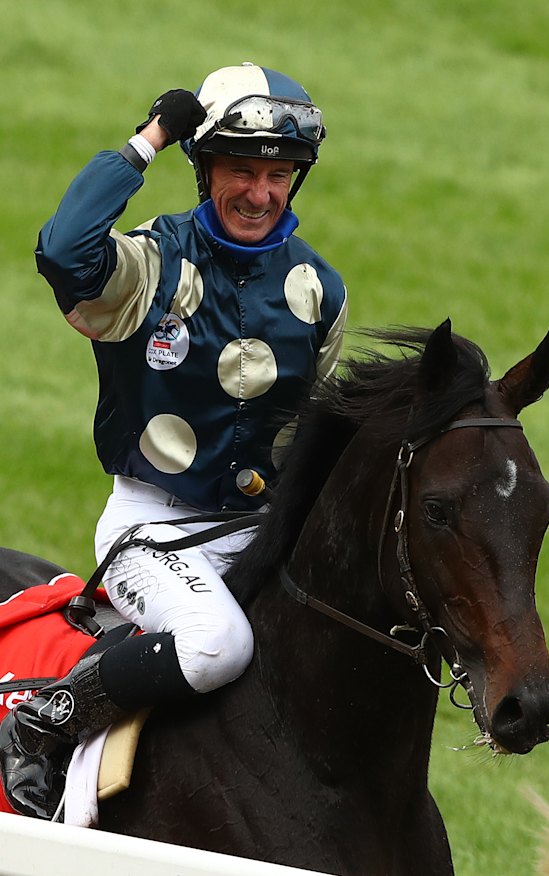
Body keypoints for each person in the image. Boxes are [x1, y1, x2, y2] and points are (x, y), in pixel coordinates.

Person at [0, 63, 347, 819]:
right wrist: (149, 137)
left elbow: (303, 437)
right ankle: (45, 720)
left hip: (252, 529)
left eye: (279, 174)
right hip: (149, 528)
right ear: (203, 167)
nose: (260, 193)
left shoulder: (322, 291)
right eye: (240, 170)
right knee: (217, 643)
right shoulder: (150, 264)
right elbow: (63, 253)